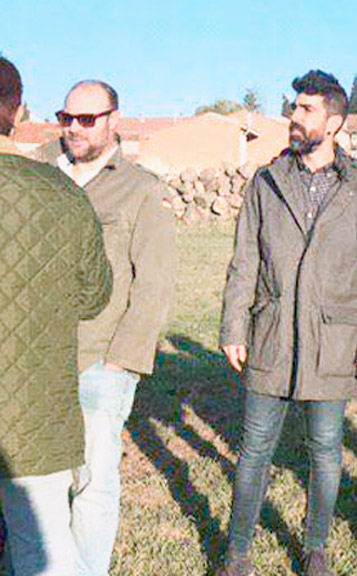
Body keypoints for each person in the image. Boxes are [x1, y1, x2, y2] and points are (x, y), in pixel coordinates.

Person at [218, 70, 357, 576]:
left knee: (325, 452)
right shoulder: (266, 182)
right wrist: (233, 327)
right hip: (269, 335)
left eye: (306, 110)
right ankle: (237, 553)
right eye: (294, 108)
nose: (293, 118)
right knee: (253, 450)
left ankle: (315, 545)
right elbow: (244, 261)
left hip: (332, 343)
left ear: (334, 123)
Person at [34, 79, 177, 576]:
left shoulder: (141, 189)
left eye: (86, 119)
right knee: (43, 482)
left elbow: (154, 283)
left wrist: (121, 362)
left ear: (114, 119)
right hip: (37, 361)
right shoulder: (41, 174)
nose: (73, 128)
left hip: (99, 359)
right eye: (65, 117)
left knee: (92, 481)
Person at [0, 56, 113, 576]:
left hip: (28, 419)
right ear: (18, 111)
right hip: (31, 413)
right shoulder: (62, 194)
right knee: (40, 551)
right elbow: (93, 297)